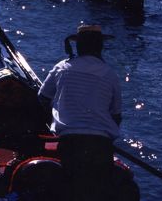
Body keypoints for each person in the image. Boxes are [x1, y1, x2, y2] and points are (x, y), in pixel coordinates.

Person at [37, 24, 122, 201]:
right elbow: (116, 116)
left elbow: (43, 97)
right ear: (100, 46)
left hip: (70, 141)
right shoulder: (110, 74)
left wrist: (55, 114)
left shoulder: (62, 67)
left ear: (79, 46)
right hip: (101, 145)